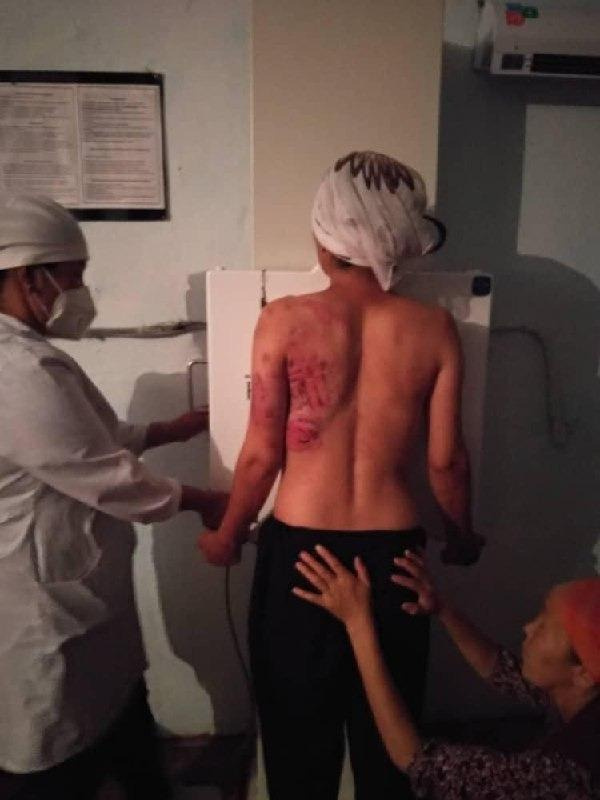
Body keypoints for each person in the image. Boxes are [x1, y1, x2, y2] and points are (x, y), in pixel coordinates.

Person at [199, 151, 484, 800]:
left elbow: (261, 454)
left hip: (302, 554)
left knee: (298, 740)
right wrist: (462, 537)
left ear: (324, 240)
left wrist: (227, 535)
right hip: (394, 556)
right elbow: (446, 461)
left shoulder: (283, 320)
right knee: (393, 738)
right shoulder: (435, 328)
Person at [0, 195, 228, 800]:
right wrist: (205, 501)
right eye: (73, 276)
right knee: (55, 743)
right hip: (42, 602)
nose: (81, 292)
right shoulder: (15, 369)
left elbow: (86, 437)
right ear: (31, 277)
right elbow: (104, 475)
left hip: (79, 585)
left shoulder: (33, 358)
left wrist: (170, 430)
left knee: (121, 705)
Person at [293, 546, 600, 799]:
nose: (528, 628)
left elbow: (415, 759)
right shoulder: (584, 698)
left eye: (545, 628)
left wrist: (358, 623)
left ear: (583, 674)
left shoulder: (559, 775)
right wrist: (442, 609)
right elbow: (506, 673)